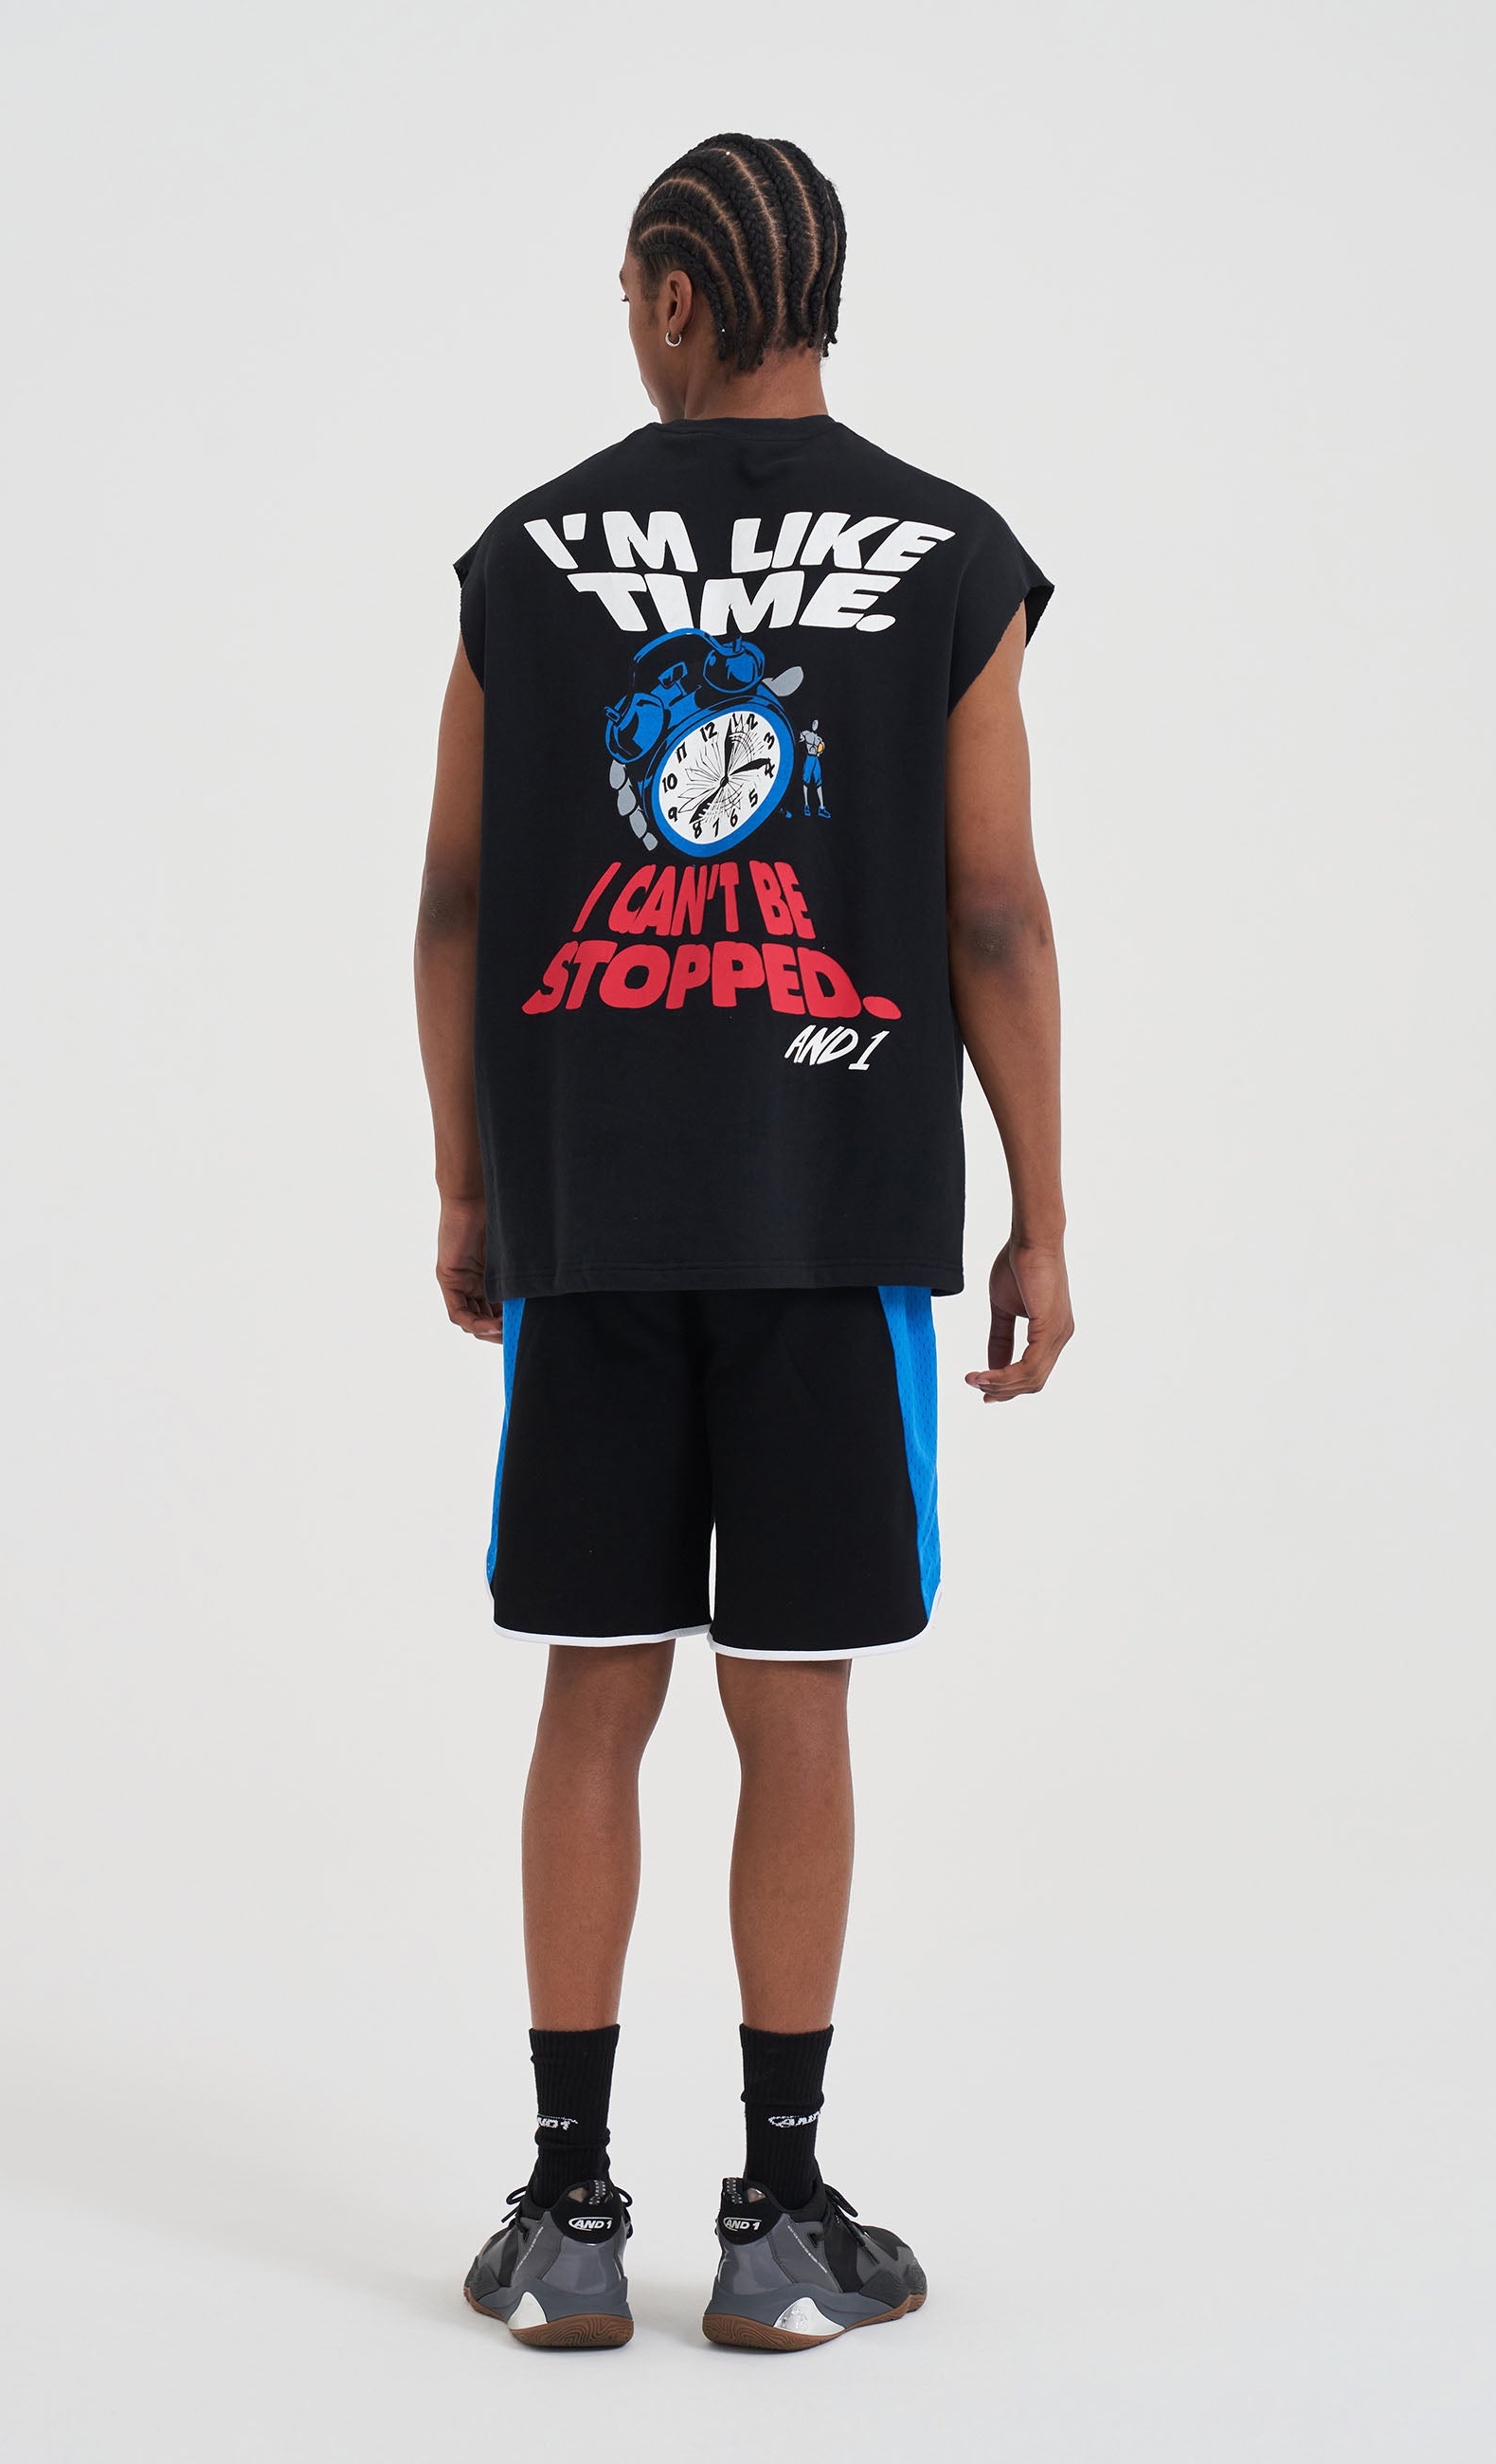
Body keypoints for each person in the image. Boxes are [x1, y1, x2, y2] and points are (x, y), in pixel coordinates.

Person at [415, 132, 1072, 2355]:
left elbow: (454, 897)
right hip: (835, 1217)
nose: (630, 326)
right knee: (795, 1708)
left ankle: (569, 2213)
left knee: (593, 1692)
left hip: (594, 1221)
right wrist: (1043, 1209)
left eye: (632, 293)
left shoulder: (527, 557)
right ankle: (778, 2222)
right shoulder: (949, 554)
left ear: (677, 298)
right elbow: (994, 908)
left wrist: (469, 1180)